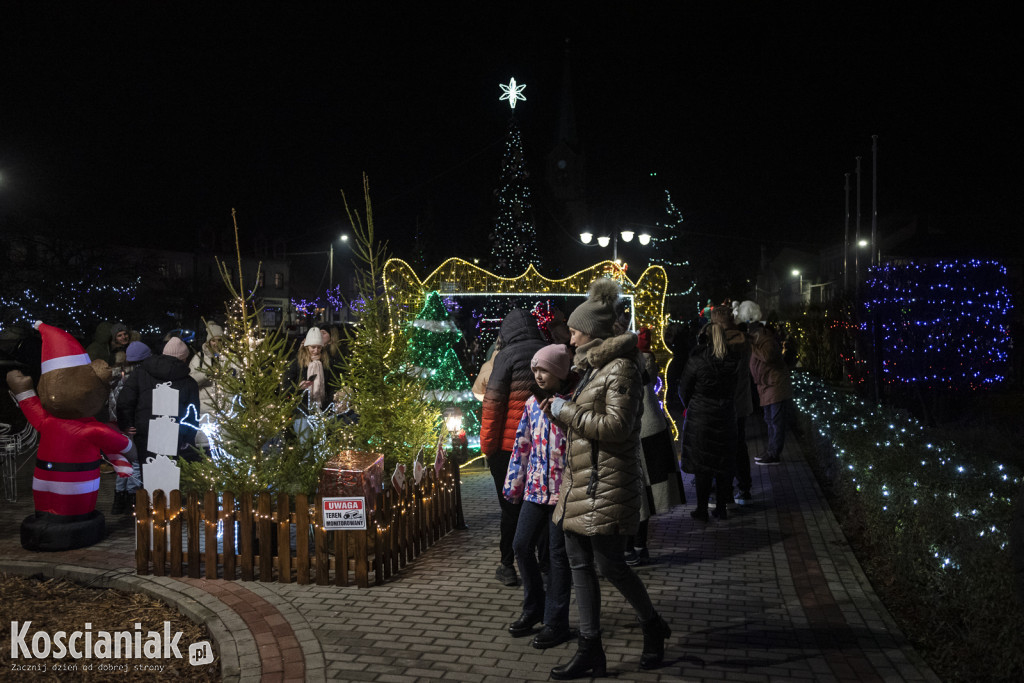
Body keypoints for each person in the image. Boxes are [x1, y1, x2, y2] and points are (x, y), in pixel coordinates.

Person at [546, 278, 671, 678]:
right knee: (581, 565)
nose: (571, 333)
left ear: (595, 332)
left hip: (607, 483)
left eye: (576, 328)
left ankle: (652, 624)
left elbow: (617, 427)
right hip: (583, 480)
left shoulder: (621, 368)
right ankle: (591, 648)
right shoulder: (592, 367)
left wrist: (565, 413)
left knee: (612, 566)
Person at [503, 344, 575, 649]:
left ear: (559, 372)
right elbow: (523, 444)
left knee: (558, 557)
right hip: (535, 489)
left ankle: (556, 621)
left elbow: (578, 441)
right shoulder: (532, 403)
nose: (538, 375)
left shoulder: (572, 403)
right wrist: (513, 485)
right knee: (521, 545)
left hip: (563, 492)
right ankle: (533, 608)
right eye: (535, 370)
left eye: (543, 370)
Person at [480, 309, 547, 586]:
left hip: (509, 448)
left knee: (510, 507)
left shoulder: (505, 356)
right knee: (541, 505)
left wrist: (488, 447)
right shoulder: (548, 351)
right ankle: (546, 563)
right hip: (543, 444)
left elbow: (493, 404)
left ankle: (508, 564)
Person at [680, 311, 744, 522]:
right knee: (723, 463)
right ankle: (722, 507)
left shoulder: (696, 361)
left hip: (701, 418)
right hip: (725, 415)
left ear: (703, 338)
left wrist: (693, 404)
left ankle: (701, 509)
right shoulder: (733, 361)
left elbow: (684, 390)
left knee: (702, 465)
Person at [628, 328, 684, 564]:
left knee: (637, 491)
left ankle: (631, 547)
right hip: (652, 428)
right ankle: (640, 545)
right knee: (647, 490)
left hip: (638, 432)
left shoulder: (630, 364)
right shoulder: (645, 361)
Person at [117, 336, 201, 464]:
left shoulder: (141, 373)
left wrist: (126, 424)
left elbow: (125, 400)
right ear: (184, 359)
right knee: (173, 475)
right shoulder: (189, 383)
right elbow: (192, 414)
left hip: (145, 432)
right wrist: (188, 437)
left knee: (149, 473)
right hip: (176, 434)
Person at [109, 341, 150, 513]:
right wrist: (127, 424)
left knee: (123, 461)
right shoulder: (135, 378)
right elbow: (125, 404)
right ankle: (134, 497)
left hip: (118, 425)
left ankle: (119, 499)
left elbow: (113, 403)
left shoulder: (120, 376)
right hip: (128, 425)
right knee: (135, 462)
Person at [726, 301, 760, 504]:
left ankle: (733, 488)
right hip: (741, 404)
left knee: (730, 447)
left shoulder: (731, 346)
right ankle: (743, 488)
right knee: (739, 446)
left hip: (730, 404)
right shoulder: (746, 344)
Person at [749, 322, 794, 465]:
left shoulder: (768, 343)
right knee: (770, 421)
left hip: (775, 387)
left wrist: (752, 347)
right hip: (768, 388)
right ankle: (771, 451)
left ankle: (774, 454)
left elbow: (767, 357)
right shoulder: (761, 344)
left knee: (775, 422)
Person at [285, 327, 336, 412]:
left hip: (322, 408)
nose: (316, 351)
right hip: (301, 408)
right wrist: (298, 387)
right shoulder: (298, 361)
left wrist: (329, 403)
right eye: (313, 347)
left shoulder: (326, 361)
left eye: (319, 347)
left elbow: (332, 384)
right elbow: (286, 384)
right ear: (307, 346)